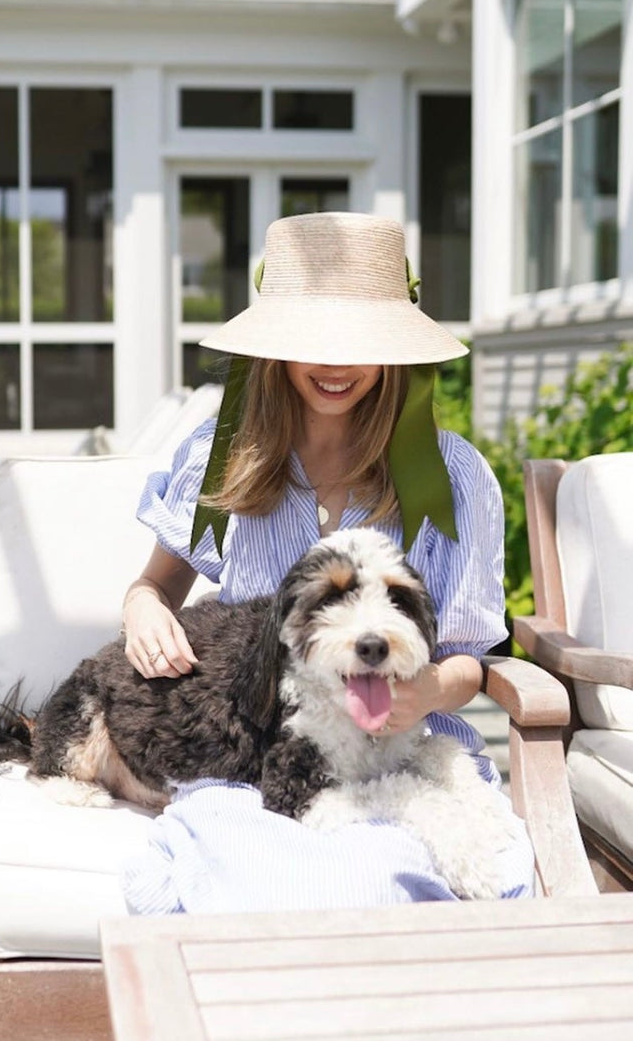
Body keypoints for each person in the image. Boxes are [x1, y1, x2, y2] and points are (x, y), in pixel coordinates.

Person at [118, 211, 534, 913]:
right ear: (274, 346)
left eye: (361, 342)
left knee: (374, 878)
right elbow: (156, 584)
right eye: (313, 340)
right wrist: (142, 609)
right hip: (250, 756)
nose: (336, 365)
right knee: (247, 884)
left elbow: (473, 658)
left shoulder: (452, 479)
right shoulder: (225, 457)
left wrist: (426, 691)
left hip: (399, 756)